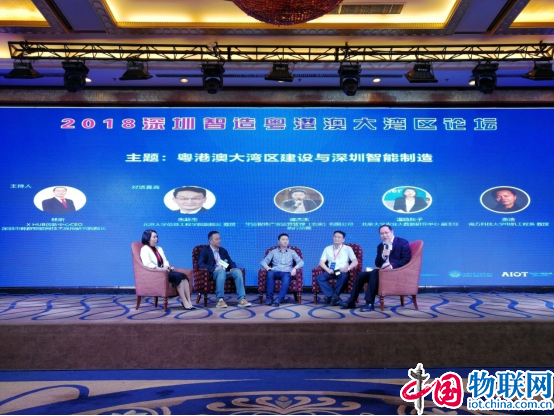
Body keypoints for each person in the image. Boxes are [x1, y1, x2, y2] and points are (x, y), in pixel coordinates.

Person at [341, 225, 411, 312]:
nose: (384, 235)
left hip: (395, 272)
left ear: (392, 232)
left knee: (375, 272)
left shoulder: (402, 242)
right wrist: (383, 256)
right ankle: (351, 301)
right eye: (382, 234)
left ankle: (369, 303)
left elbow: (406, 259)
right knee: (362, 275)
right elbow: (377, 263)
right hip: (382, 272)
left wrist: (391, 267)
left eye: (386, 233)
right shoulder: (380, 246)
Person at [140, 229, 196, 310]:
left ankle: (189, 301)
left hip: (164, 271)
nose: (156, 239)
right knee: (178, 277)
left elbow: (165, 261)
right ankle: (184, 301)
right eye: (154, 237)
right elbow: (147, 263)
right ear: (148, 238)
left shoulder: (159, 248)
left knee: (183, 276)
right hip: (155, 273)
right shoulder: (144, 249)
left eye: (157, 237)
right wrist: (159, 269)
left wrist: (166, 266)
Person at [198, 231, 251, 308]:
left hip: (225, 272)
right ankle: (220, 300)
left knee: (237, 272)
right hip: (212, 273)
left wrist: (232, 268)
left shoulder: (223, 251)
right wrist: (214, 269)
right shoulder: (204, 250)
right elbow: (200, 264)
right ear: (210, 241)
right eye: (216, 239)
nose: (219, 241)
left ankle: (241, 299)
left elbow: (231, 262)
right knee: (221, 271)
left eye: (220, 239)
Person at [260, 233, 304, 307]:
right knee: (270, 274)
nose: (285, 241)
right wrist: (267, 268)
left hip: (286, 272)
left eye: (287, 239)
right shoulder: (273, 252)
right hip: (275, 271)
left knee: (287, 278)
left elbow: (301, 262)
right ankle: (269, 299)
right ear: (278, 241)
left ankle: (278, 299)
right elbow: (263, 262)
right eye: (283, 239)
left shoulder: (292, 252)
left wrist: (295, 268)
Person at [316, 231, 359, 306]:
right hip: (331, 271)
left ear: (343, 240)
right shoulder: (327, 248)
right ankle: (333, 296)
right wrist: (328, 270)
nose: (336, 238)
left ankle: (331, 297)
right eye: (335, 237)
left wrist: (347, 268)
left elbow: (355, 261)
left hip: (342, 271)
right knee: (319, 277)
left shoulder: (348, 249)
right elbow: (321, 262)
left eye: (339, 237)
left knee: (344, 277)